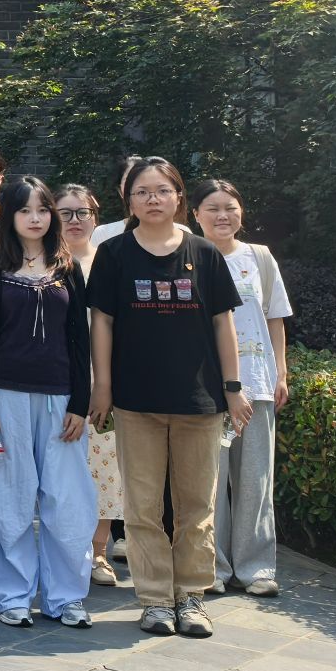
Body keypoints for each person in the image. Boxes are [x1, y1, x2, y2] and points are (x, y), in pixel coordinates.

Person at [88, 157, 248, 639]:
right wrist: (103, 385)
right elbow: (102, 322)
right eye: (142, 192)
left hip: (199, 401)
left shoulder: (205, 252)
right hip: (136, 401)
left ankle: (192, 596)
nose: (152, 199)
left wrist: (233, 388)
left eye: (161, 190)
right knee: (142, 507)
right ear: (129, 201)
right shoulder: (114, 253)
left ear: (179, 197)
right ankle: (156, 598)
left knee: (196, 505)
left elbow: (223, 323)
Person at [0, 176, 97, 629]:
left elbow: (79, 339)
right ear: (9, 215)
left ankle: (67, 597)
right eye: (25, 210)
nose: (35, 218)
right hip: (5, 396)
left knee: (67, 498)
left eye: (43, 210)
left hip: (61, 397)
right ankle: (11, 594)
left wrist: (80, 402)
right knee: (9, 494)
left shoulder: (68, 267)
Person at [188, 179, 291, 598]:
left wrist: (280, 372)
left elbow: (275, 318)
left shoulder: (259, 257)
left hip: (257, 383)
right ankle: (210, 565)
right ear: (195, 214)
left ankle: (255, 567)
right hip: (206, 387)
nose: (222, 216)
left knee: (255, 480)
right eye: (212, 208)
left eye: (230, 207)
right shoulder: (188, 256)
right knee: (208, 482)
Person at [58, 184, 127, 587]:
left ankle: (98, 551)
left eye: (82, 212)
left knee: (103, 470)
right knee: (59, 471)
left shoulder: (111, 260)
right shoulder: (44, 264)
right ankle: (62, 550)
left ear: (95, 218)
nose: (75, 221)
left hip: (104, 380)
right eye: (65, 213)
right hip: (54, 380)